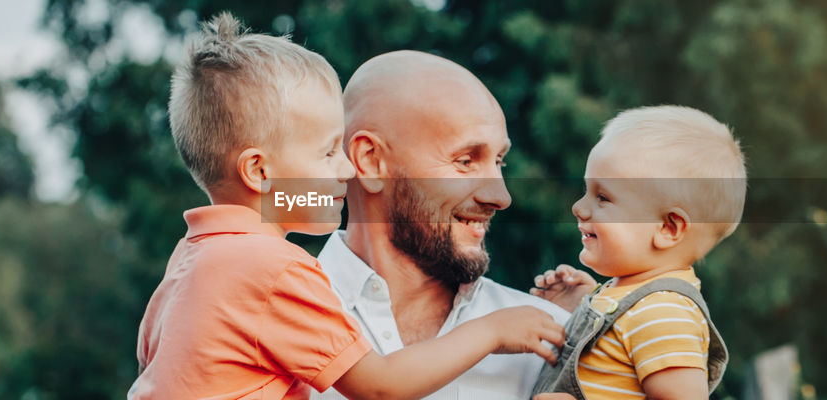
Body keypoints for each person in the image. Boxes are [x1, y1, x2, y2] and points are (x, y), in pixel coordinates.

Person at [129, 14, 563, 400]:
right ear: (259, 171)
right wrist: (492, 331)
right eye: (465, 160)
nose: (345, 169)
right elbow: (379, 386)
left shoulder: (184, 269)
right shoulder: (280, 275)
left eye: (499, 161)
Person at [311, 50, 571, 400]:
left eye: (499, 162)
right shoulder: (262, 321)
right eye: (465, 161)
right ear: (371, 161)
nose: (501, 196)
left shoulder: (556, 339)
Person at [531, 106, 744, 399]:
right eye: (586, 190)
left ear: (668, 228)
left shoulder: (664, 314)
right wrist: (584, 306)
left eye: (602, 197)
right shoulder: (635, 303)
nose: (579, 208)